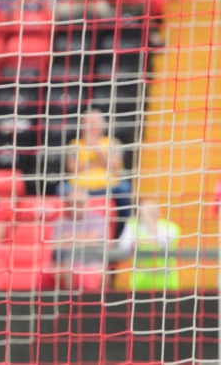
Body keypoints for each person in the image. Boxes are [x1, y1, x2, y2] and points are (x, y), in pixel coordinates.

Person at [65, 107, 132, 236]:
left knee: (125, 189)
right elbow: (72, 168)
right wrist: (100, 162)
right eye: (88, 124)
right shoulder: (75, 144)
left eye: (94, 124)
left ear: (102, 126)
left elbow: (114, 166)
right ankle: (70, 231)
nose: (91, 127)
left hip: (108, 186)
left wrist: (96, 148)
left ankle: (120, 234)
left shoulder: (112, 143)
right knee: (62, 189)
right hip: (81, 186)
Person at [51, 187, 111, 292]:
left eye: (79, 203)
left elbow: (98, 242)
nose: (75, 206)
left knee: (94, 272)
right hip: (67, 262)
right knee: (62, 268)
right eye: (71, 203)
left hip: (93, 262)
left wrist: (70, 238)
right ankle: (68, 303)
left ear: (86, 203)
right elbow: (56, 246)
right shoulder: (60, 222)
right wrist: (86, 239)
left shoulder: (98, 219)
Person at [117, 197, 180, 291]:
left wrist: (140, 241)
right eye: (147, 210)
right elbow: (123, 245)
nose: (151, 213)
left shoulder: (171, 228)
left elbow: (161, 243)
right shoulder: (132, 225)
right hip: (140, 284)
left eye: (153, 209)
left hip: (166, 285)